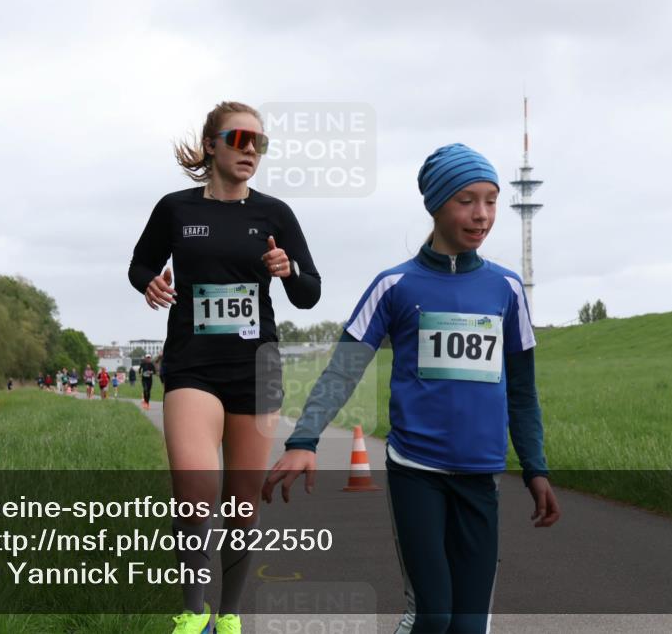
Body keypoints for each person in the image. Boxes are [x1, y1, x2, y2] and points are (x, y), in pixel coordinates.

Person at [262, 143, 561, 633]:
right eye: (467, 200)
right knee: (432, 615)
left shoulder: (506, 289)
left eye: (491, 200)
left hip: (480, 475)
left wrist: (535, 468)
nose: (482, 215)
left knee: (466, 625)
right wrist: (303, 439)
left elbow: (523, 392)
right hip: (416, 470)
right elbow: (343, 369)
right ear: (436, 204)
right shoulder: (395, 285)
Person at [129, 101, 321, 634]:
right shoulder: (176, 210)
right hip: (193, 366)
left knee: (240, 508)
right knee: (194, 487)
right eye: (240, 139)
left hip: (255, 370)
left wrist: (288, 270)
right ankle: (194, 613)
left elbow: (309, 293)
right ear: (212, 144)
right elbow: (139, 262)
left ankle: (230, 615)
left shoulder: (274, 215)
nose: (251, 150)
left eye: (259, 142)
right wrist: (151, 281)